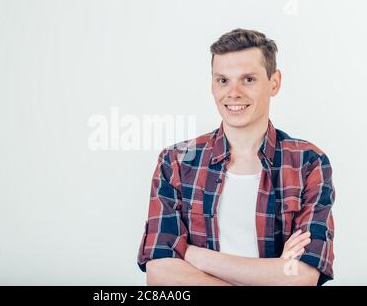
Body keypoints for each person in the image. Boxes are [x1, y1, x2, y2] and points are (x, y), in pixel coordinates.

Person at [137, 28, 335, 286]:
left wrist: (195, 255)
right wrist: (272, 274)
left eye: (248, 79)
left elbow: (302, 277)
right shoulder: (175, 161)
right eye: (223, 80)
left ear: (274, 82)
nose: (233, 93)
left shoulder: (309, 163)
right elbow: (160, 275)